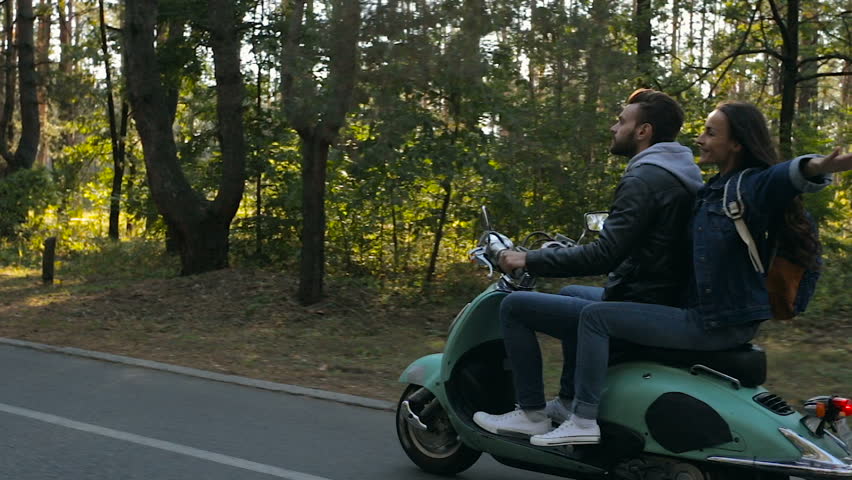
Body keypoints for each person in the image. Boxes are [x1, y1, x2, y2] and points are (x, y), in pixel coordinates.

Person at [484, 100, 852, 447]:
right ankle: (566, 404)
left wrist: (816, 166)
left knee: (595, 317)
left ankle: (582, 420)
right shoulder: (711, 189)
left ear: (736, 144)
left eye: (710, 133)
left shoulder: (747, 187)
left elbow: (780, 177)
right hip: (701, 308)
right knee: (573, 296)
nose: (699, 139)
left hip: (715, 321)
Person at [472, 89, 704, 439]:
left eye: (621, 121)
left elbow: (604, 255)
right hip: (660, 295)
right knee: (570, 293)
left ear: (643, 131)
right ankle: (567, 402)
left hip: (642, 302)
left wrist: (528, 258)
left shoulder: (644, 179)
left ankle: (531, 413)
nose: (614, 127)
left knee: (515, 307)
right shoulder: (678, 173)